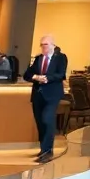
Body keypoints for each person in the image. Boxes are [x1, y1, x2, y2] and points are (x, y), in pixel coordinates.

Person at [23, 35, 68, 163]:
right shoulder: (38, 59)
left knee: (47, 119)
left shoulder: (60, 58)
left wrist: (47, 78)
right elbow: (27, 74)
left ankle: (48, 151)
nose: (43, 47)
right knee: (40, 123)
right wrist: (36, 77)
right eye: (42, 45)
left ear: (53, 45)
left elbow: (61, 74)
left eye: (46, 44)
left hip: (52, 94)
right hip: (37, 95)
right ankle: (44, 150)